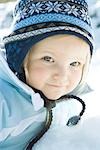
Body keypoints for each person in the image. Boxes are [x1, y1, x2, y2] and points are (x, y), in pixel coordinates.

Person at [0, 0, 94, 149]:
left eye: (74, 63)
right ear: (19, 58)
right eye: (48, 59)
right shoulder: (3, 103)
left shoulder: (70, 101)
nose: (62, 75)